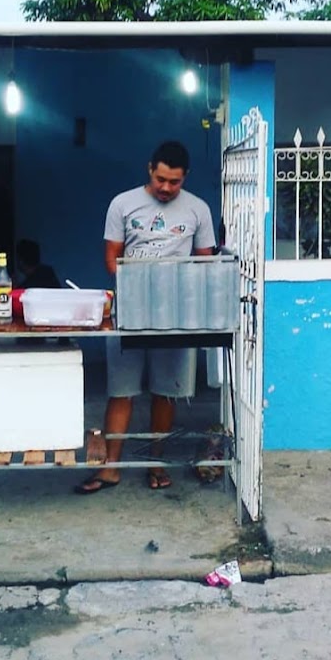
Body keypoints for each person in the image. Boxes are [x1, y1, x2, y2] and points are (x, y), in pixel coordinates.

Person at [75, 140, 216, 494]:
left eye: (175, 182)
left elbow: (205, 263)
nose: (166, 187)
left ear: (185, 177)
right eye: (161, 179)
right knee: (121, 391)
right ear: (149, 170)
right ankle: (111, 468)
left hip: (176, 315)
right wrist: (138, 284)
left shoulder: (198, 209)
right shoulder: (122, 204)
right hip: (130, 311)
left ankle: (156, 463)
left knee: (165, 393)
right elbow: (112, 258)